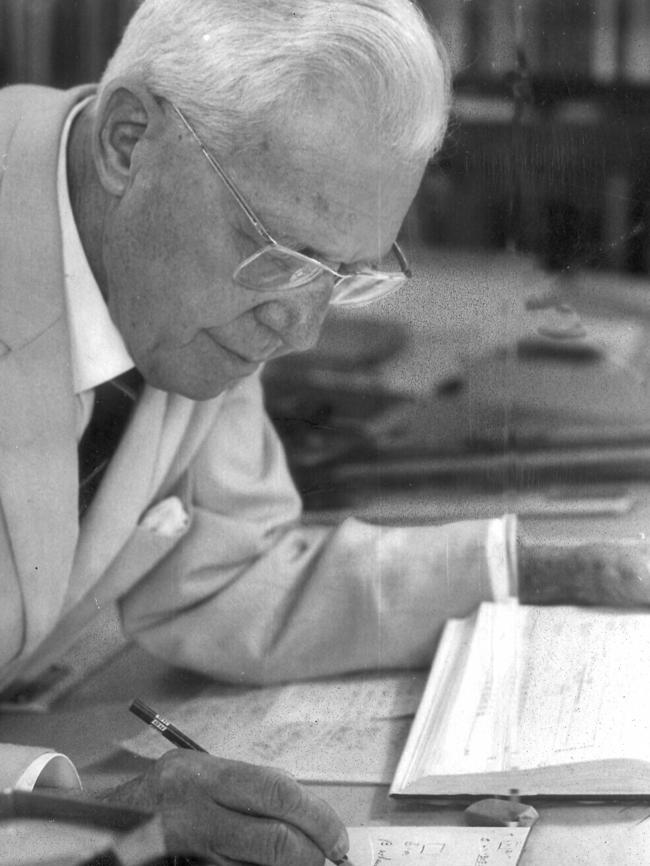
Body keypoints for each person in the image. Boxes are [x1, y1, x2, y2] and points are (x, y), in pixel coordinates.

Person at [1, 0, 649, 862]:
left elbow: (230, 569)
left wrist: (522, 564)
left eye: (341, 274)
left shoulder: (186, 282)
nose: (301, 331)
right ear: (128, 140)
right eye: (279, 251)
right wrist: (71, 822)